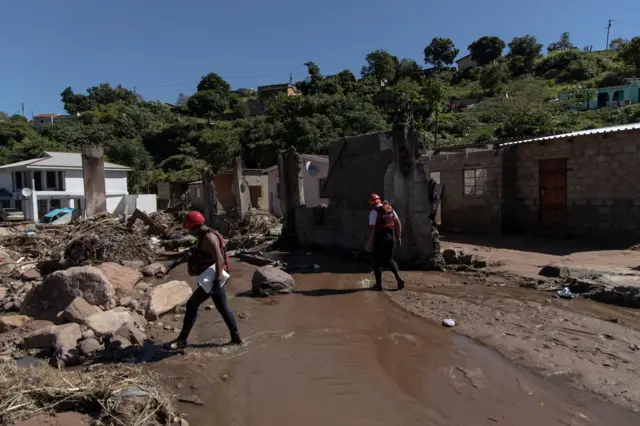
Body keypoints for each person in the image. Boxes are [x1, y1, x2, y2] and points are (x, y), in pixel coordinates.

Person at [168, 211, 242, 349]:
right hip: (213, 276)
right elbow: (195, 254)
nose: (188, 230)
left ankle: (182, 340)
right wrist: (175, 264)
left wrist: (217, 281)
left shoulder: (208, 238)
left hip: (214, 277)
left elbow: (219, 258)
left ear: (193, 226)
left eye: (188, 228)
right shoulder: (203, 235)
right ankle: (236, 339)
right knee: (222, 308)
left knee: (192, 304)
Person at [365, 194, 405, 291]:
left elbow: (371, 228)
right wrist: (398, 237)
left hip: (381, 238)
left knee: (376, 260)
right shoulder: (390, 209)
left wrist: (368, 243)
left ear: (371, 202)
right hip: (391, 237)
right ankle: (399, 278)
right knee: (389, 259)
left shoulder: (374, 212)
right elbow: (398, 223)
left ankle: (378, 285)